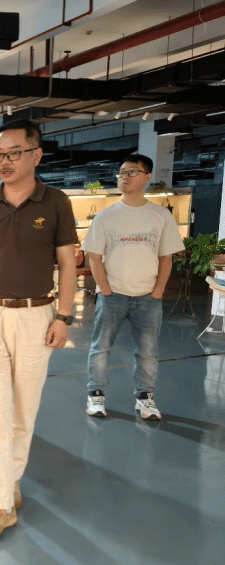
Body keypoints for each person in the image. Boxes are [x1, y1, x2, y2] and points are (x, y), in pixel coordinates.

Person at [0, 119, 78, 540]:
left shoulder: (55, 202)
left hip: (36, 317)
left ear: (36, 155)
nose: (4, 162)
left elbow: (67, 263)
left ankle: (10, 479)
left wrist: (64, 317)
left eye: (14, 153)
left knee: (23, 411)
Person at [82, 154, 184, 420]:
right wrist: (105, 290)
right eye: (122, 172)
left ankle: (145, 399)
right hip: (112, 296)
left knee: (147, 353)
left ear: (148, 177)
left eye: (131, 172)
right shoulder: (105, 217)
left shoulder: (161, 216)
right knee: (100, 348)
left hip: (148, 298)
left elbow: (166, 258)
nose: (124, 177)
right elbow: (94, 257)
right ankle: (95, 395)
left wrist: (158, 292)